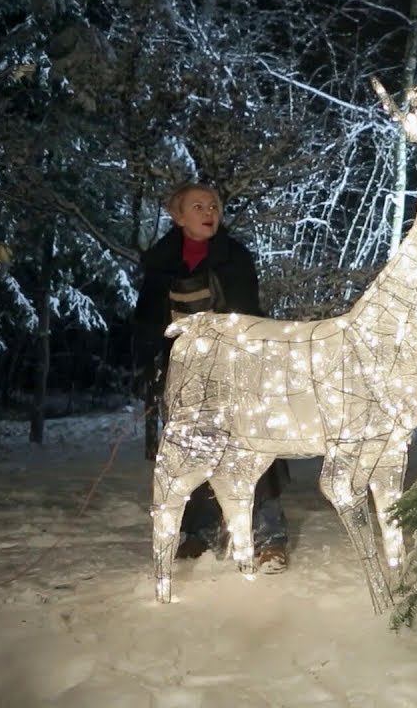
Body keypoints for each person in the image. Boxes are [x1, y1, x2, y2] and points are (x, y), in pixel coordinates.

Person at [132, 182, 290, 572]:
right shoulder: (159, 263)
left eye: (214, 206)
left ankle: (269, 538)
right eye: (198, 206)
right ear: (178, 215)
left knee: (251, 449)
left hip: (234, 368)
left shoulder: (234, 258)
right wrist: (148, 363)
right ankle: (202, 533)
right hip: (184, 375)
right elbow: (146, 322)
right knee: (194, 449)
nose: (209, 212)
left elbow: (249, 314)